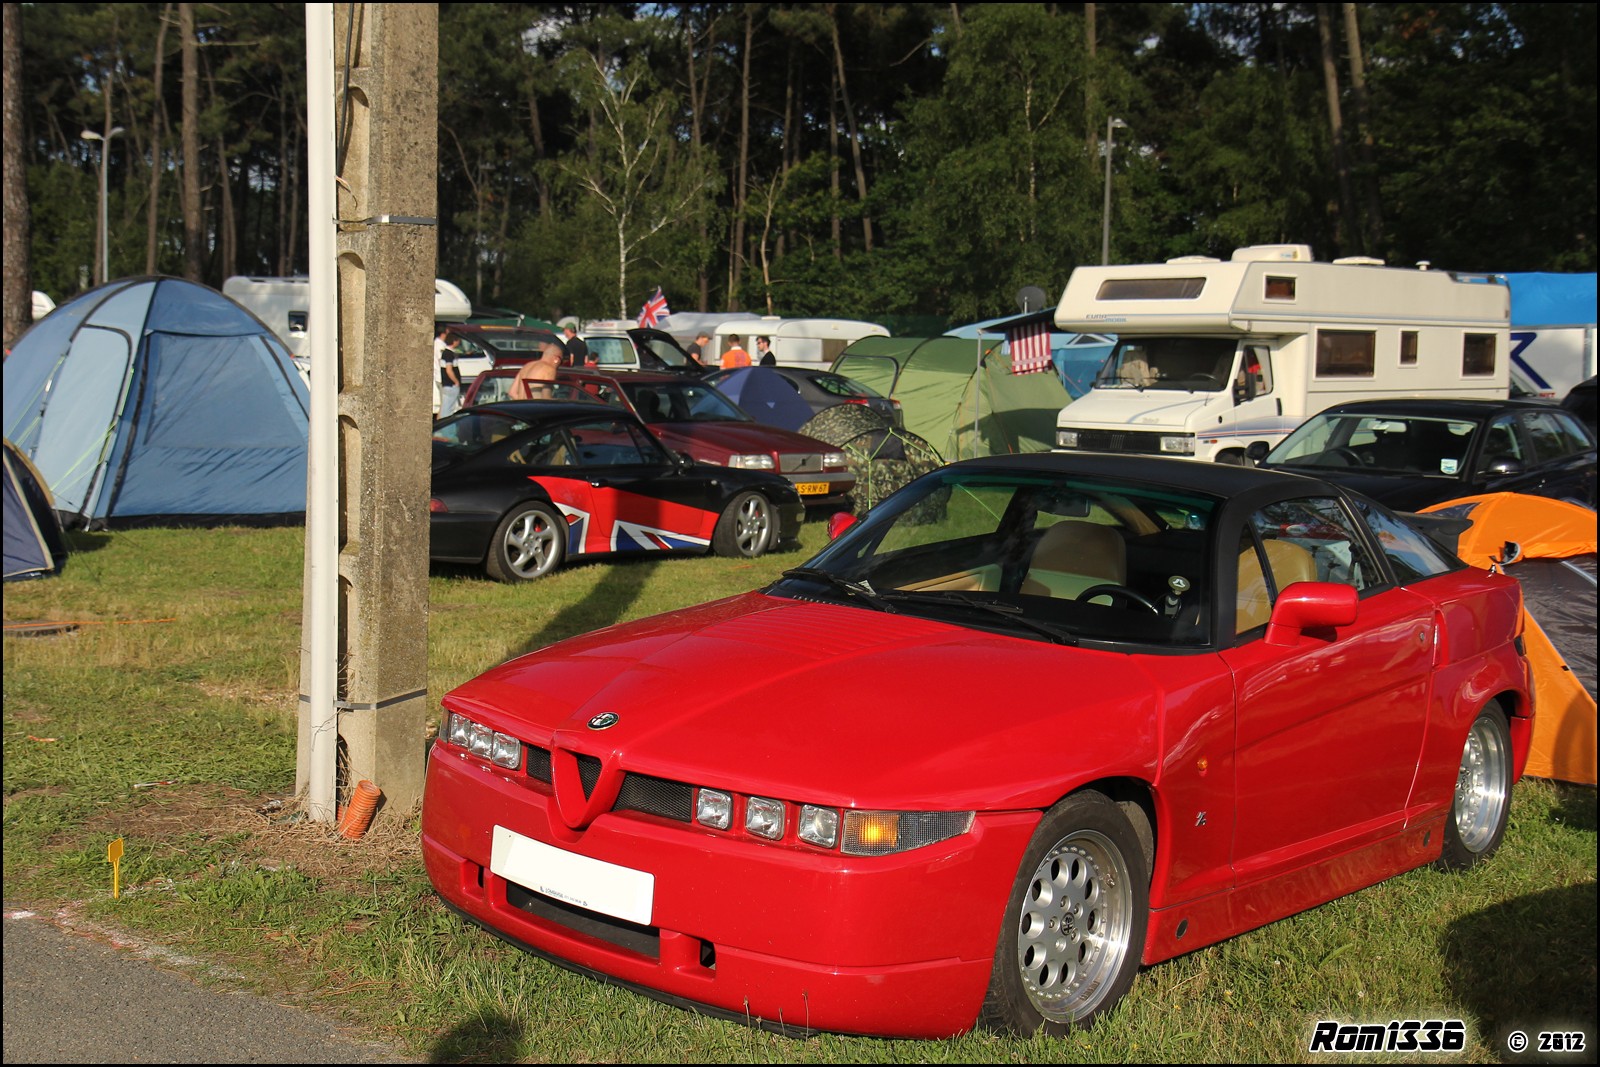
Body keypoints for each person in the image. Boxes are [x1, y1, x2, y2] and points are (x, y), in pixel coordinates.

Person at [435, 327, 463, 417]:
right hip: (451, 385)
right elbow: (449, 370)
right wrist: (456, 382)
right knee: (448, 409)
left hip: (445, 384)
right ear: (454, 341)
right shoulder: (449, 354)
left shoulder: (445, 352)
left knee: (444, 407)